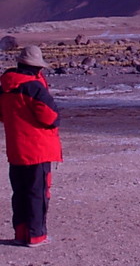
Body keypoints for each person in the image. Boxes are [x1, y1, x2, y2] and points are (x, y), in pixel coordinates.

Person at [0, 45, 62, 247]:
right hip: (37, 150)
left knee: (20, 191)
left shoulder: (5, 86)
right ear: (36, 67)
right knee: (38, 192)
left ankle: (21, 233)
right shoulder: (33, 87)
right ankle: (36, 236)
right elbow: (50, 117)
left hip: (16, 149)